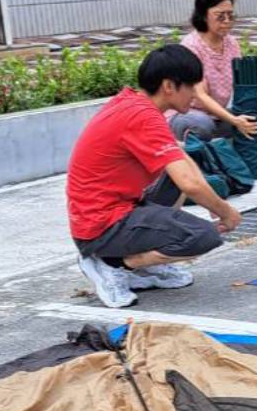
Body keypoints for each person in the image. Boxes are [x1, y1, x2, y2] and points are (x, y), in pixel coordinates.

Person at [67, 44, 242, 308]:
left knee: (178, 168)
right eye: (191, 87)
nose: (196, 96)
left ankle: (143, 265)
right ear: (169, 86)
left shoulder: (133, 103)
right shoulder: (143, 118)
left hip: (110, 211)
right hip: (100, 227)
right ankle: (113, 264)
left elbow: (182, 162)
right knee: (203, 236)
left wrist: (214, 202)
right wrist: (226, 212)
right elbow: (189, 184)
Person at [172, 0, 257, 142]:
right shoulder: (191, 46)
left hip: (217, 116)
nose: (227, 21)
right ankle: (196, 152)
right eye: (220, 16)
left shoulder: (232, 43)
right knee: (202, 124)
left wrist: (249, 110)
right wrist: (235, 121)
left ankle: (233, 152)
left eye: (231, 15)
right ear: (203, 15)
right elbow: (200, 95)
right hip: (187, 115)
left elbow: (241, 86)